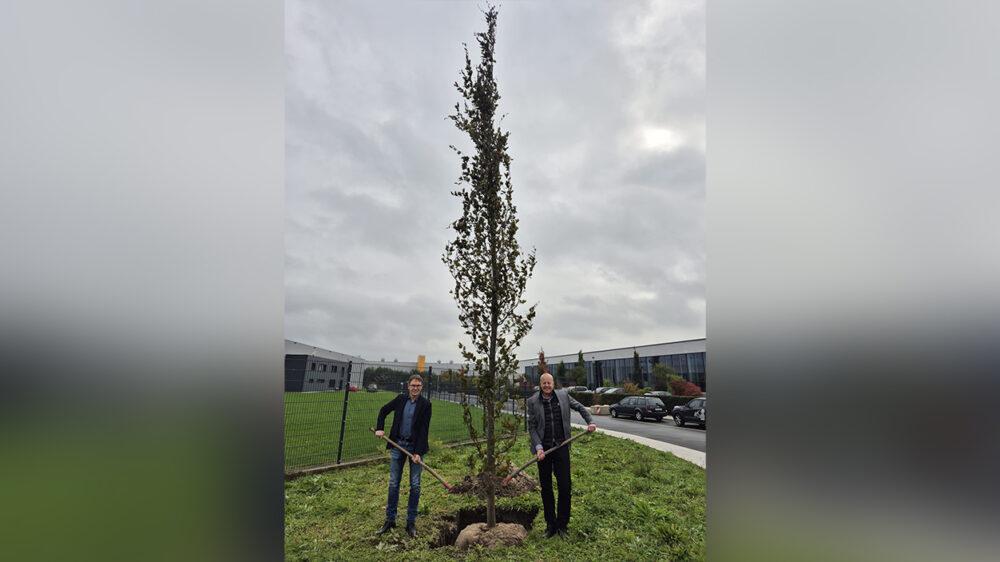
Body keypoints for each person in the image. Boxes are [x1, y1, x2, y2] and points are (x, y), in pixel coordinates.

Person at [526, 372, 596, 539]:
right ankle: (550, 526)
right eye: (544, 383)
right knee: (546, 489)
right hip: (543, 451)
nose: (547, 386)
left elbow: (579, 407)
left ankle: (562, 526)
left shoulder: (563, 396)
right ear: (540, 384)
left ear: (553, 383)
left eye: (549, 383)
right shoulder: (533, 402)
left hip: (561, 447)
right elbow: (532, 427)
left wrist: (590, 421)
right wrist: (538, 447)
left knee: (565, 487)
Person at [374, 373, 432, 538]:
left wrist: (418, 453)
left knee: (415, 485)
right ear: (408, 386)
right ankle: (390, 520)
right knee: (393, 484)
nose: (415, 388)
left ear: (421, 388)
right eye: (413, 385)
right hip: (397, 445)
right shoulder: (400, 399)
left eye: (418, 386)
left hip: (414, 449)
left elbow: (423, 430)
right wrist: (380, 428)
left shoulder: (426, 405)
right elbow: (383, 411)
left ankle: (410, 523)